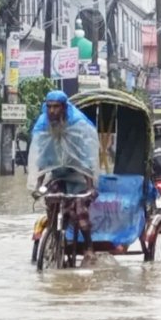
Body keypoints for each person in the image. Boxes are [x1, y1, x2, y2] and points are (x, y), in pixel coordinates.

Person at [31, 91, 101, 259]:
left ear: (63, 108)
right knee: (51, 197)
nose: (52, 111)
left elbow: (85, 159)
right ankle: (54, 237)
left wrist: (90, 188)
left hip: (79, 180)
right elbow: (43, 160)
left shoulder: (76, 126)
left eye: (56, 107)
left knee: (79, 208)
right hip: (59, 177)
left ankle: (89, 248)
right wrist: (38, 186)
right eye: (49, 107)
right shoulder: (44, 126)